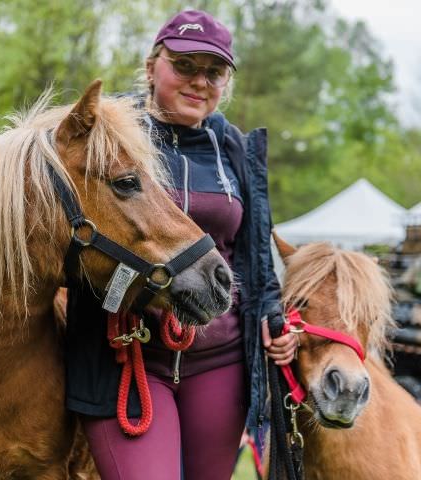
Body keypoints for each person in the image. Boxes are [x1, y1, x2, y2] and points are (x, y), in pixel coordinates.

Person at [63, 9, 298, 480]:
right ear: (152, 67)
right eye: (184, 65)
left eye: (214, 72)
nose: (200, 81)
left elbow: (253, 256)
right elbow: (77, 242)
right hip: (128, 358)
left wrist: (276, 318)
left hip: (220, 361)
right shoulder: (110, 134)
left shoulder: (233, 146)